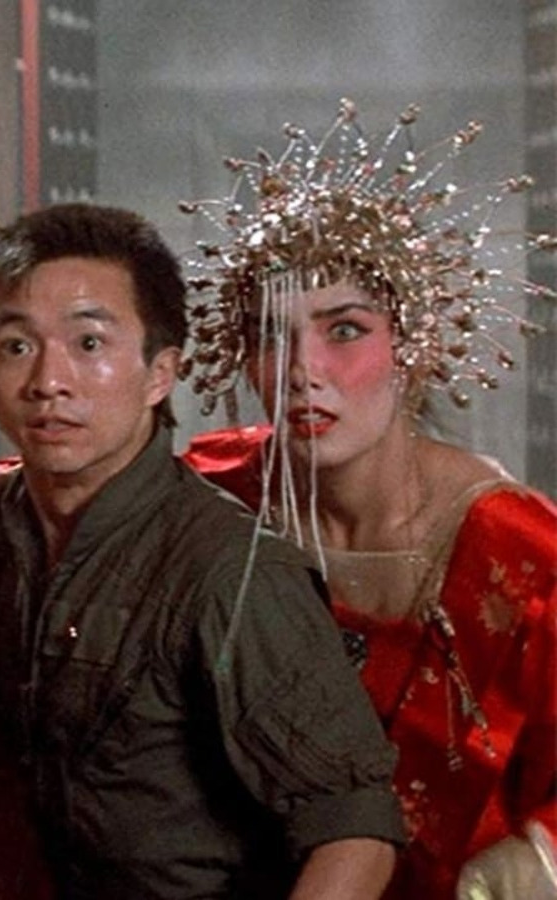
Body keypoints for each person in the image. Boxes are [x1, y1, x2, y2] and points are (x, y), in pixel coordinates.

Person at [0, 202, 405, 898]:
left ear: (160, 373)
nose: (48, 381)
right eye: (15, 347)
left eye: (90, 344)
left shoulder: (228, 568)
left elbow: (355, 828)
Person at [181, 102, 557, 900]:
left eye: (344, 330)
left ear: (411, 342)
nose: (302, 370)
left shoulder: (520, 554)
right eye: (271, 335)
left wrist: (533, 861)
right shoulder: (211, 492)